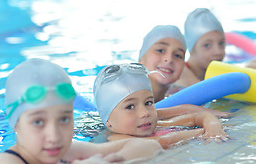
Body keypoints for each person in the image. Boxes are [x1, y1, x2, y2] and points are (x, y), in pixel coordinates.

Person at [0, 58, 161, 164]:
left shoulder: (67, 151)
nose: (54, 135)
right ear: (16, 123)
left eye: (63, 119)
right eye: (38, 122)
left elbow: (148, 146)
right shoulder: (5, 163)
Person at [93, 63, 229, 148]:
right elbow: (162, 142)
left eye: (148, 103)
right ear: (108, 120)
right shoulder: (116, 139)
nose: (144, 113)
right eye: (130, 107)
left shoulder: (154, 123)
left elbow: (199, 116)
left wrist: (213, 125)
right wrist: (205, 132)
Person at [138, 24, 232, 118]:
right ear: (141, 59)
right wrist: (187, 110)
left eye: (178, 55)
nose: (169, 59)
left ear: (183, 68)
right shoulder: (127, 92)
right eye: (160, 50)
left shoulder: (176, 97)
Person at [175, 8, 256, 88]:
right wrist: (245, 74)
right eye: (207, 45)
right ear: (191, 48)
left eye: (221, 43)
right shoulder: (179, 71)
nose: (218, 52)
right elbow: (203, 93)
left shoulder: (217, 70)